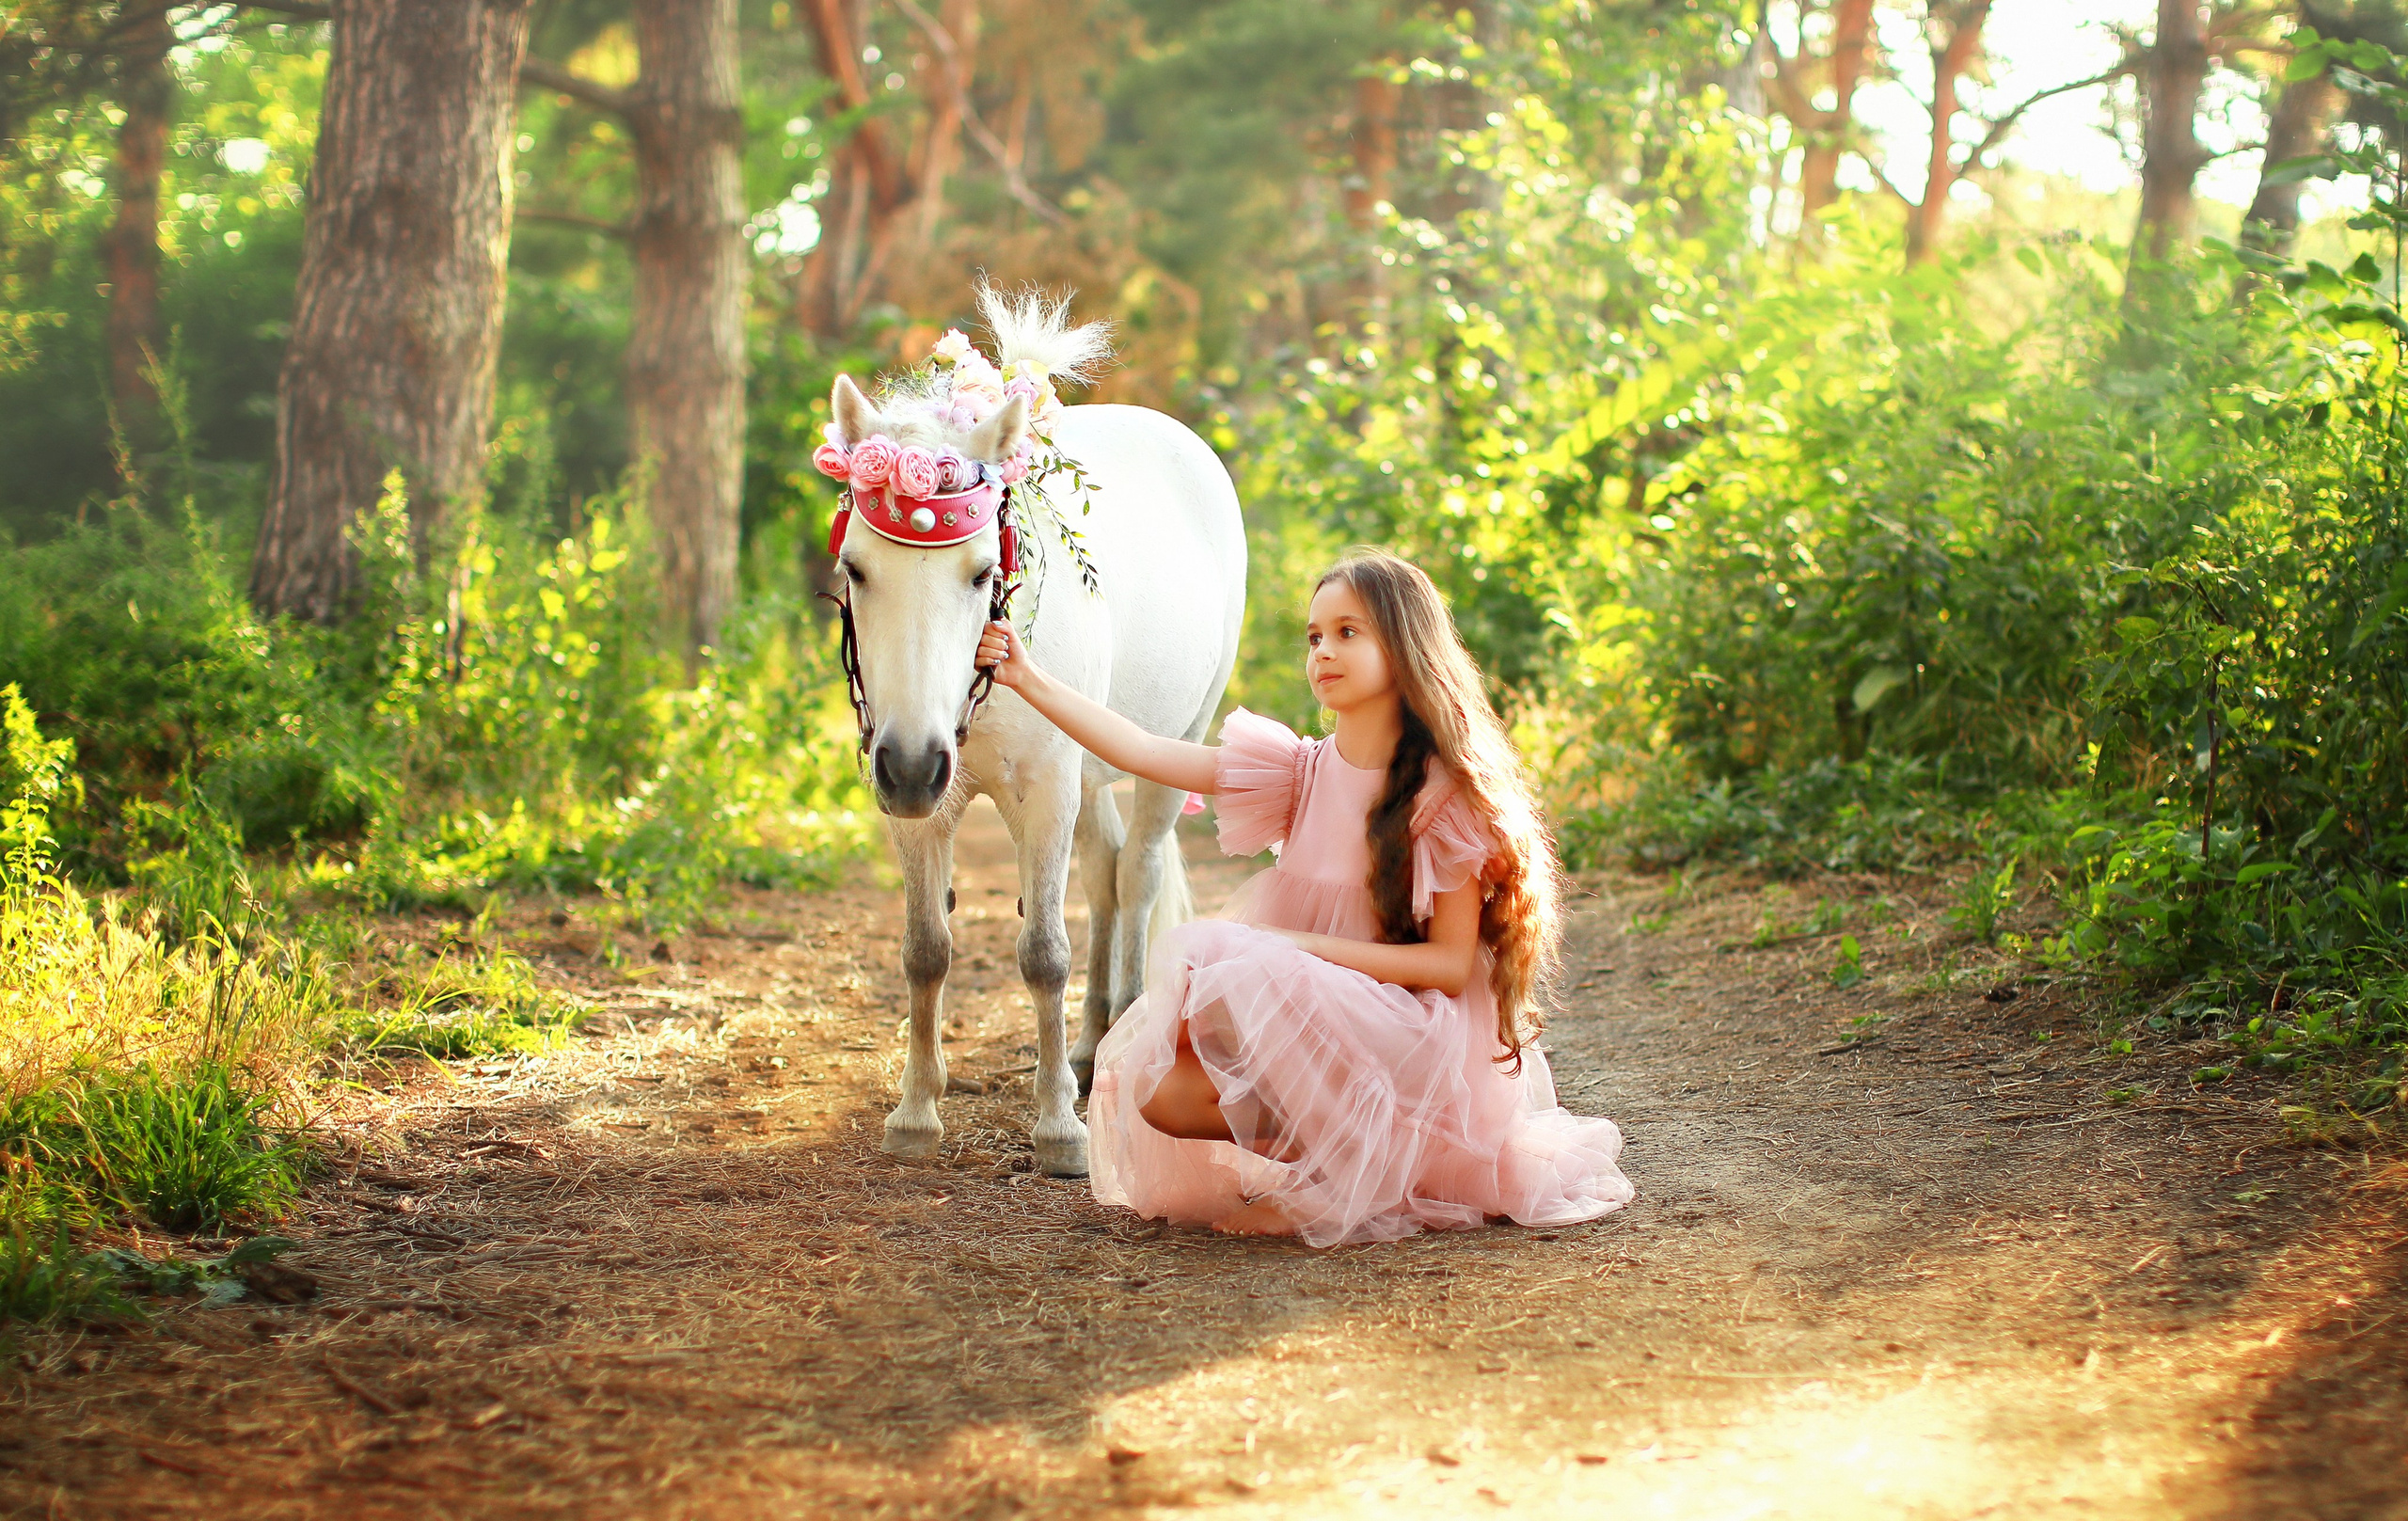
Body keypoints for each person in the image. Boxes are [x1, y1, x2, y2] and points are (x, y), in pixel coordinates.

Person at [974, 549, 1633, 1244]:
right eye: (1315, 636)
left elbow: (1446, 965)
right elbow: (1144, 750)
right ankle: (1352, 1157)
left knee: (1230, 952)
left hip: (1412, 1035)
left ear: (1404, 645)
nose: (1324, 650)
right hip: (1322, 1022)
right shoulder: (1299, 772)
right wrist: (1027, 676)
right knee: (1163, 1088)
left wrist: (1297, 950)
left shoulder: (1444, 798)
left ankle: (1347, 1177)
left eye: (1349, 632)